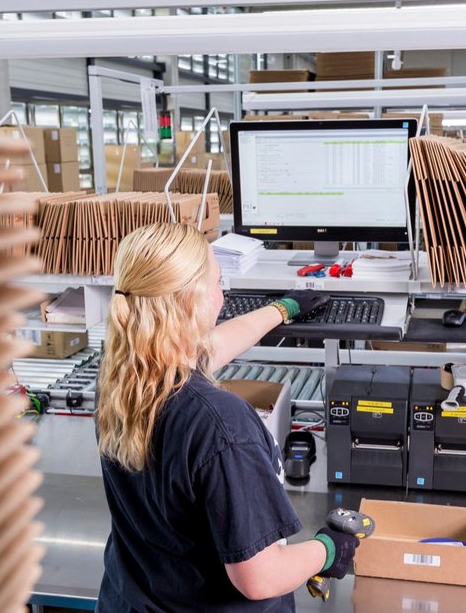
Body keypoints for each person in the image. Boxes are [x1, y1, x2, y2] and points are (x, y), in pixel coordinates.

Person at [95, 222, 359, 612]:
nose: (224, 294)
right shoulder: (219, 424)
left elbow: (214, 347)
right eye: (218, 282)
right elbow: (260, 576)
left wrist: (282, 309)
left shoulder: (122, 378)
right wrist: (328, 549)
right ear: (189, 300)